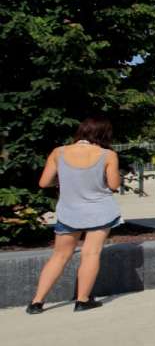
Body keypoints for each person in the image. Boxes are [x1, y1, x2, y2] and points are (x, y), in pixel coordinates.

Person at [27, 116, 122, 314]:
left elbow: (44, 183)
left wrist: (65, 180)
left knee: (59, 256)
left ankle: (37, 302)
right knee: (91, 253)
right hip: (99, 211)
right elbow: (114, 185)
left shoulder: (58, 152)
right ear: (104, 134)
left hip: (69, 211)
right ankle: (82, 300)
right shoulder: (108, 155)